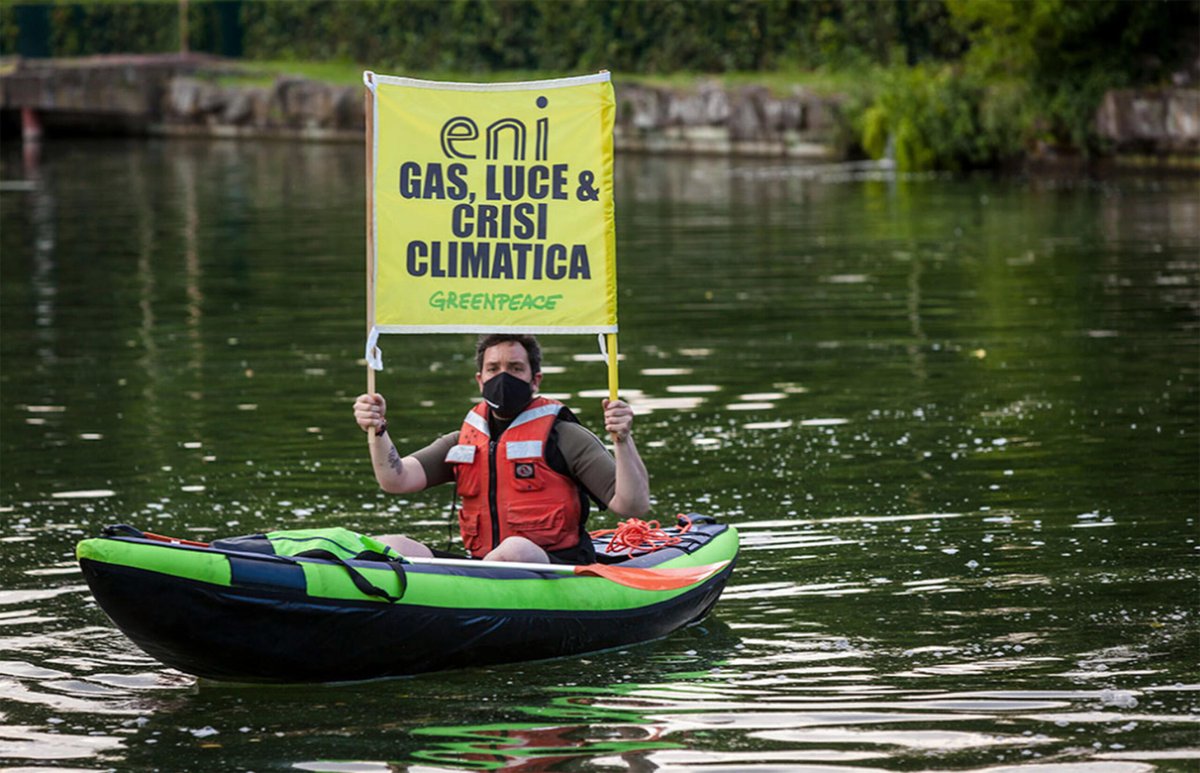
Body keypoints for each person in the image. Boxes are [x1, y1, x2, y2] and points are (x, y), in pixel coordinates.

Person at [352, 334, 650, 564]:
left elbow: (632, 505)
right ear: (480, 380)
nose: (503, 377)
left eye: (515, 368)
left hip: (556, 565)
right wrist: (378, 430)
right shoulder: (462, 440)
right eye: (493, 369)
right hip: (481, 566)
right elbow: (396, 480)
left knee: (515, 549)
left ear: (535, 380)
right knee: (393, 544)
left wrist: (622, 440)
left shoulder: (566, 437)